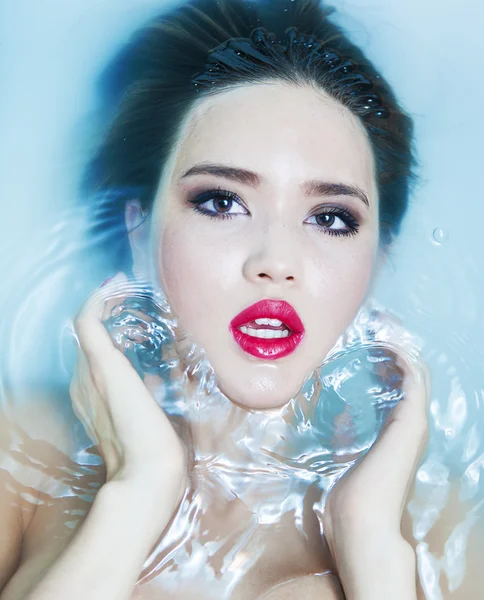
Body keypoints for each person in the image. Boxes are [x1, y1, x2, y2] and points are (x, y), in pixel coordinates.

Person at [0, 0, 479, 598]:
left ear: (376, 266)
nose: (276, 262)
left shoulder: (440, 531)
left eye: (330, 218)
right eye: (222, 202)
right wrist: (139, 490)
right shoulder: (17, 453)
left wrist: (372, 548)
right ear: (139, 234)